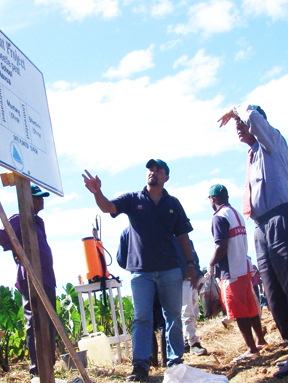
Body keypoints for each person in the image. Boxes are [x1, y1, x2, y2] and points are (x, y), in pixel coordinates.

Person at [83, 159, 197, 381]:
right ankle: (140, 366)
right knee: (142, 318)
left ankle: (175, 363)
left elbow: (183, 236)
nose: (152, 173)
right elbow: (107, 207)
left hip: (170, 270)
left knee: (173, 316)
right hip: (141, 273)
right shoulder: (132, 199)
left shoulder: (173, 203)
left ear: (166, 177)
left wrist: (191, 265)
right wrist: (97, 192)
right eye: (150, 169)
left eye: (158, 170)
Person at [218, 104, 288, 343]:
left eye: (241, 123)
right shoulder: (254, 154)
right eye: (236, 124)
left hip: (279, 217)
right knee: (272, 289)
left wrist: (237, 109)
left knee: (287, 279)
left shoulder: (272, 142)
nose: (238, 127)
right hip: (259, 225)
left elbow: (255, 119)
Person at [0, 185, 56, 375]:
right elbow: (3, 236)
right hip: (30, 276)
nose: (41, 200)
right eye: (37, 197)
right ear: (27, 199)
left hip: (47, 278)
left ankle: (48, 366)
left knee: (49, 321)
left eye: (42, 197)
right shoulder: (18, 219)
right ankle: (37, 368)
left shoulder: (39, 222)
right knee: (35, 320)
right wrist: (16, 250)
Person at [207, 184, 266, 363]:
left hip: (231, 270)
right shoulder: (235, 213)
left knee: (239, 310)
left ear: (213, 199)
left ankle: (251, 349)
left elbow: (221, 245)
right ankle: (260, 340)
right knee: (250, 306)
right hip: (244, 266)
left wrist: (211, 264)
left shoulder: (219, 217)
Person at [174, 237, 207, 356]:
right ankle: (192, 342)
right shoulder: (171, 240)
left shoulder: (188, 242)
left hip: (191, 280)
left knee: (193, 311)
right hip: (182, 279)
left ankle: (187, 341)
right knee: (187, 312)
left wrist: (197, 275)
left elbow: (194, 259)